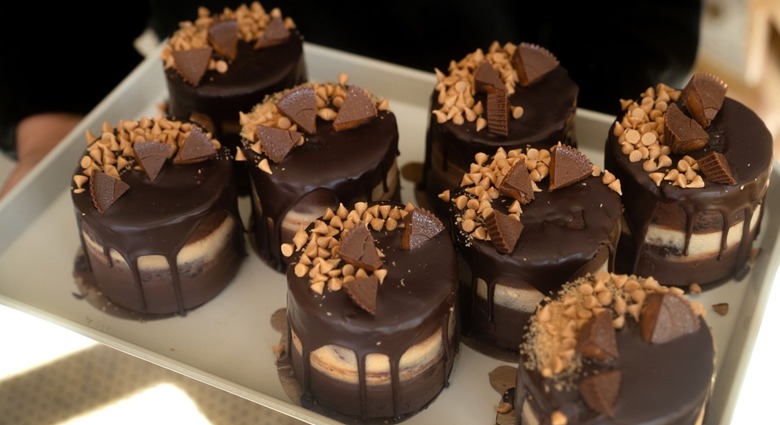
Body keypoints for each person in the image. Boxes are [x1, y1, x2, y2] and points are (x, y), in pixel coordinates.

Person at [0, 1, 702, 198]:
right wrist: (48, 123)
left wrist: (581, 132)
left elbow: (638, 22)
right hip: (209, 93)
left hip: (512, 81)